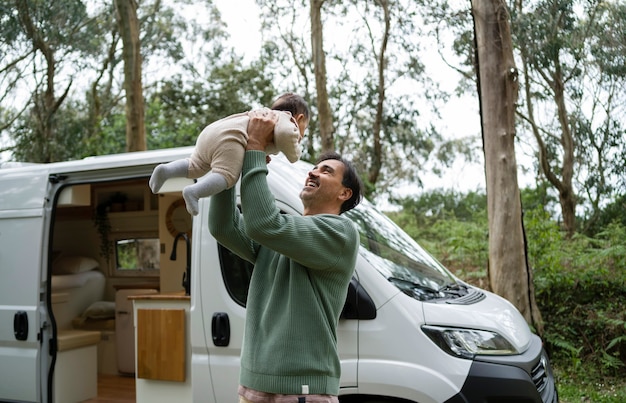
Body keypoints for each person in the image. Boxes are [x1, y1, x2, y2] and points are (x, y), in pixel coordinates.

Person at [208, 110, 364, 403]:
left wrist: (254, 149)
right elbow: (224, 227)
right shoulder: (283, 236)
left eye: (326, 171)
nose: (313, 171)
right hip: (253, 384)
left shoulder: (341, 233)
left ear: (344, 193)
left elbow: (263, 224)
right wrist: (229, 166)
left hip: (302, 390)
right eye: (315, 167)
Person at [149, 93, 310, 215]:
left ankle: (166, 170)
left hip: (211, 132)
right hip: (230, 137)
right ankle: (194, 192)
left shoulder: (262, 114)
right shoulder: (285, 119)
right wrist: (295, 152)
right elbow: (284, 136)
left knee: (196, 165)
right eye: (305, 128)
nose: (301, 133)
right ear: (300, 118)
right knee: (227, 175)